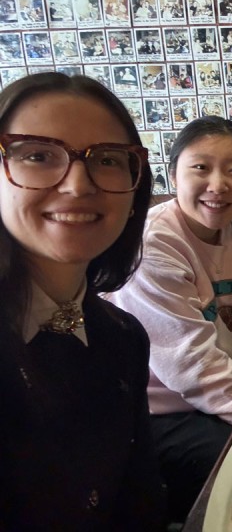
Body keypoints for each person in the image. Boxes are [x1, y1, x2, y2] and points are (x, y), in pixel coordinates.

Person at [0, 72, 164, 528]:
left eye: (108, 159)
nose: (77, 184)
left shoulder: (123, 337)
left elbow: (141, 506)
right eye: (37, 155)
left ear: (135, 192)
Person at [106, 116, 232, 522]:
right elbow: (191, 368)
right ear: (173, 173)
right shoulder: (153, 243)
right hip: (159, 415)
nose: (218, 184)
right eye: (201, 167)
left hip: (220, 395)